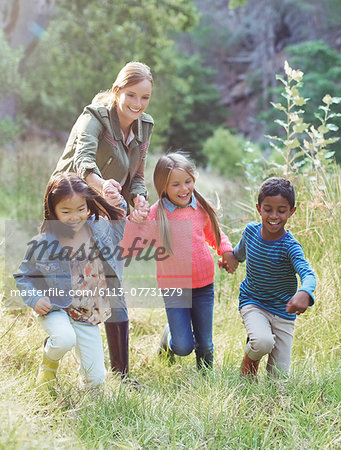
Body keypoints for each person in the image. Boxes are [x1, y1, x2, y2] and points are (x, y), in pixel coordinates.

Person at [52, 61, 154, 374]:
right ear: (117, 90)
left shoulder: (144, 126)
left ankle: (120, 372)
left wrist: (139, 198)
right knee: (75, 281)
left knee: (112, 280)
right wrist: (102, 186)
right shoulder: (94, 117)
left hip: (112, 206)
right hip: (74, 201)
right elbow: (82, 161)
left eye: (145, 98)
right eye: (131, 95)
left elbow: (136, 173)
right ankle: (55, 347)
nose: (137, 104)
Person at [124, 153, 238, 370]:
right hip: (174, 288)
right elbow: (131, 247)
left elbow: (215, 234)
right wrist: (133, 221)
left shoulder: (200, 207)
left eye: (188, 181)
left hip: (204, 285)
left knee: (205, 344)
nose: (184, 188)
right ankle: (169, 336)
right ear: (163, 186)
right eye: (175, 184)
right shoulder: (156, 214)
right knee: (184, 346)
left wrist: (226, 251)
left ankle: (206, 382)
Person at [13, 173, 127, 389]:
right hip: (56, 307)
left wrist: (118, 202)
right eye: (66, 211)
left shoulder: (98, 228)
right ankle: (49, 364)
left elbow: (117, 230)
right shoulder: (44, 243)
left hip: (86, 313)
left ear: (88, 206)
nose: (75, 217)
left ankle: (83, 396)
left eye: (81, 209)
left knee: (96, 381)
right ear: (53, 210)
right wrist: (35, 298)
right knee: (65, 339)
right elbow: (23, 275)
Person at [231, 177, 316, 377]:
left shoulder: (290, 246)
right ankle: (249, 363)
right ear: (259, 208)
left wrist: (305, 291)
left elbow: (308, 274)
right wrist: (229, 260)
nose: (274, 216)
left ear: (291, 211)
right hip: (253, 302)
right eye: (268, 209)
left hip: (283, 312)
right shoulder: (251, 232)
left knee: (279, 380)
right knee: (262, 342)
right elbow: (239, 254)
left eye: (281, 210)